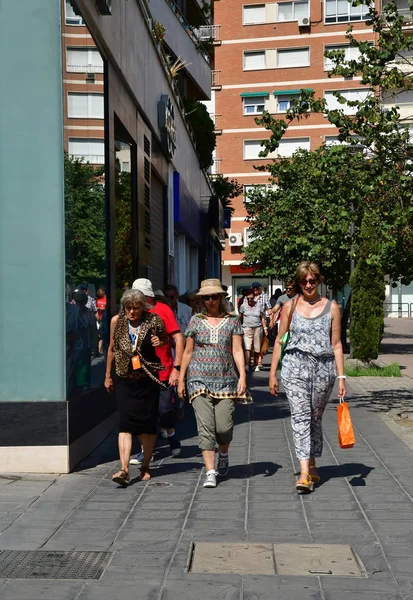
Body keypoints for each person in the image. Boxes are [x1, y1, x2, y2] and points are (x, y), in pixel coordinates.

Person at [269, 261, 346, 494]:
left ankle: (312, 462)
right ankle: (304, 472)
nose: (309, 284)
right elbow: (279, 340)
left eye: (312, 280)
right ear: (298, 282)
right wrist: (273, 373)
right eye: (304, 281)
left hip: (324, 369)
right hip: (295, 367)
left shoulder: (331, 307)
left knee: (314, 416)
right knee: (301, 416)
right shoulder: (289, 307)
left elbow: (337, 344)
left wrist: (341, 377)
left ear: (319, 281)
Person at [177, 279, 250, 489]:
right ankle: (210, 471)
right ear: (201, 300)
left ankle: (224, 454)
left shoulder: (233, 321)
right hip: (198, 379)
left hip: (226, 380)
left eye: (214, 296)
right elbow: (188, 352)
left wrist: (242, 376)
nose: (211, 301)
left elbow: (237, 350)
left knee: (224, 428)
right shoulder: (195, 321)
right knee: (205, 426)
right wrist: (181, 379)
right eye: (206, 297)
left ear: (221, 298)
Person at [105, 289, 167, 485]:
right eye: (128, 308)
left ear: (143, 307)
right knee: (125, 422)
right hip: (124, 378)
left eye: (136, 308)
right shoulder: (117, 321)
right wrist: (108, 375)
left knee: (147, 424)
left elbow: (165, 338)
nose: (132, 312)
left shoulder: (153, 320)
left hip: (147, 378)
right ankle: (123, 469)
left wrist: (160, 340)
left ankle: (145, 465)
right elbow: (111, 348)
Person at [129, 278, 184, 462]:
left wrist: (177, 368)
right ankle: (147, 453)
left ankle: (171, 434)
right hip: (140, 372)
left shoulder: (163, 310)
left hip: (163, 371)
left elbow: (178, 338)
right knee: (145, 413)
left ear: (146, 296)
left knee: (164, 410)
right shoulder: (133, 312)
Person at [72, 291, 98, 390]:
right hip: (76, 345)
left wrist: (94, 346)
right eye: (77, 302)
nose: (79, 304)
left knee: (84, 366)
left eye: (80, 302)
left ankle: (84, 385)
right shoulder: (75, 313)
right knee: (78, 366)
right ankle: (79, 385)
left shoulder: (89, 314)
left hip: (84, 345)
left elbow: (94, 331)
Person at [239, 289, 268, 371]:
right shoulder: (243, 306)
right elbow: (239, 317)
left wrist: (265, 328)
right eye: (248, 299)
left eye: (251, 298)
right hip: (246, 328)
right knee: (247, 347)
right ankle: (247, 365)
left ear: (254, 297)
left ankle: (256, 365)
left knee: (257, 347)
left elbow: (262, 318)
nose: (250, 300)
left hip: (257, 328)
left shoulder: (259, 305)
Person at [96, 286, 107, 355]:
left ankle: (101, 349)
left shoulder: (107, 299)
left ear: (103, 291)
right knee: (99, 335)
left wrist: (101, 308)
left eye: (99, 291)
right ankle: (98, 350)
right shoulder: (97, 300)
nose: (98, 292)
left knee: (102, 335)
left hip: (105, 319)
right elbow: (96, 310)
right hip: (99, 319)